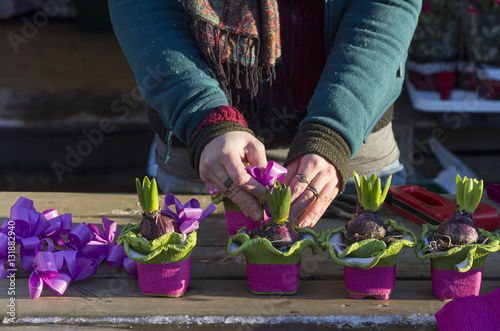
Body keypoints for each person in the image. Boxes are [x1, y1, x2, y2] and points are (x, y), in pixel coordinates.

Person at [108, 0, 421, 228]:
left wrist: (335, 129)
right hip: (205, 156)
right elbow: (143, 8)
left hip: (350, 152)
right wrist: (204, 116)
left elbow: (387, 8)